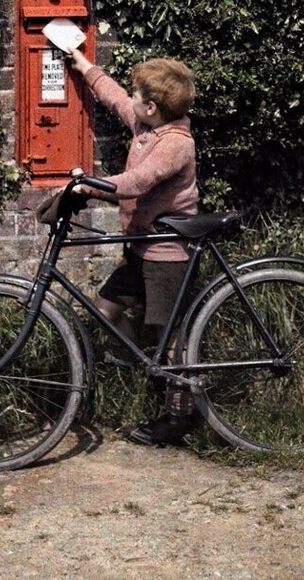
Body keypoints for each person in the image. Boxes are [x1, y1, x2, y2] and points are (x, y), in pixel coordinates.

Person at [66, 46, 199, 446]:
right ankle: (140, 362)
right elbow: (116, 97)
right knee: (106, 309)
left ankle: (179, 420)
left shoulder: (176, 145)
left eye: (139, 95)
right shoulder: (146, 126)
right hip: (142, 248)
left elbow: (138, 182)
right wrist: (85, 65)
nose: (132, 98)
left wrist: (87, 184)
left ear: (153, 107)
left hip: (167, 254)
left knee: (170, 338)